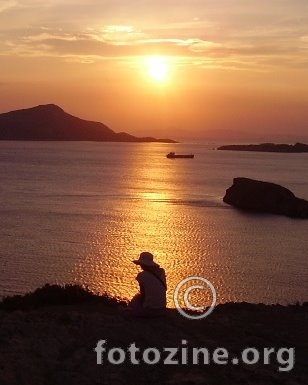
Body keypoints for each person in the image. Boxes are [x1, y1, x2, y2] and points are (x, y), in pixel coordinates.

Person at [127, 251, 167, 317]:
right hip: (162, 308)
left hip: (150, 310)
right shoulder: (162, 272)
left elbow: (143, 295)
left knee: (136, 298)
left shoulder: (142, 275)